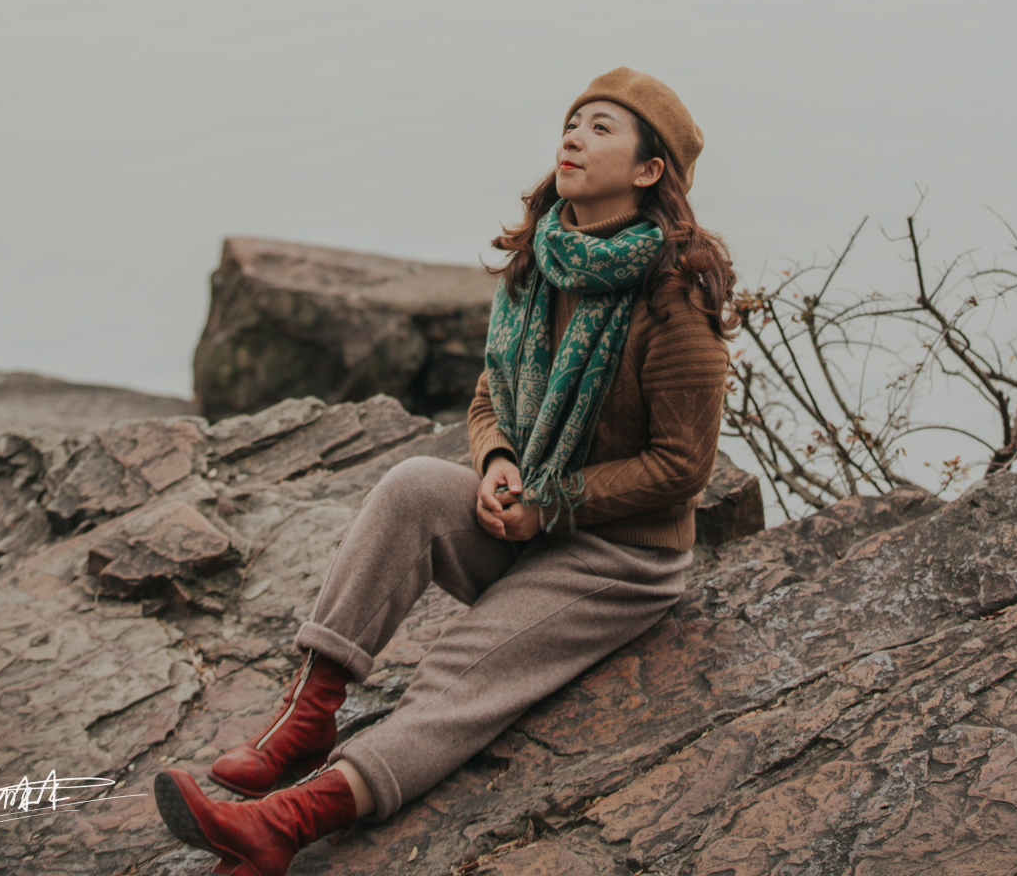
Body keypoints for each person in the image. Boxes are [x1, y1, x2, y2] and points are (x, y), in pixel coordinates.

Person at [154, 66, 737, 875]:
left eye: (604, 128)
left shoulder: (676, 302)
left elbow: (682, 467)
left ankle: (284, 824)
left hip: (623, 557)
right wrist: (498, 461)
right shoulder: (541, 262)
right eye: (574, 121)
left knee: (464, 668)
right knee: (413, 488)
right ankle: (308, 714)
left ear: (649, 171)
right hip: (529, 516)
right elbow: (488, 393)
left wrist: (552, 504)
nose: (574, 137)